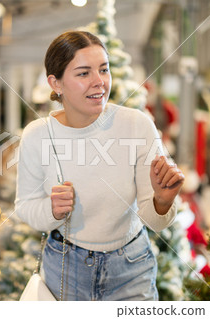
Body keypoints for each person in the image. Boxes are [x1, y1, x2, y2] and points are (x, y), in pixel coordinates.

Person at [15, 31, 184, 301]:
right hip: (64, 269)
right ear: (55, 83)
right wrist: (52, 210)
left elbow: (155, 221)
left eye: (104, 70)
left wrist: (161, 202)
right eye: (83, 73)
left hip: (131, 268)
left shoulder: (136, 125)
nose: (99, 82)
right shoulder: (37, 135)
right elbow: (24, 205)